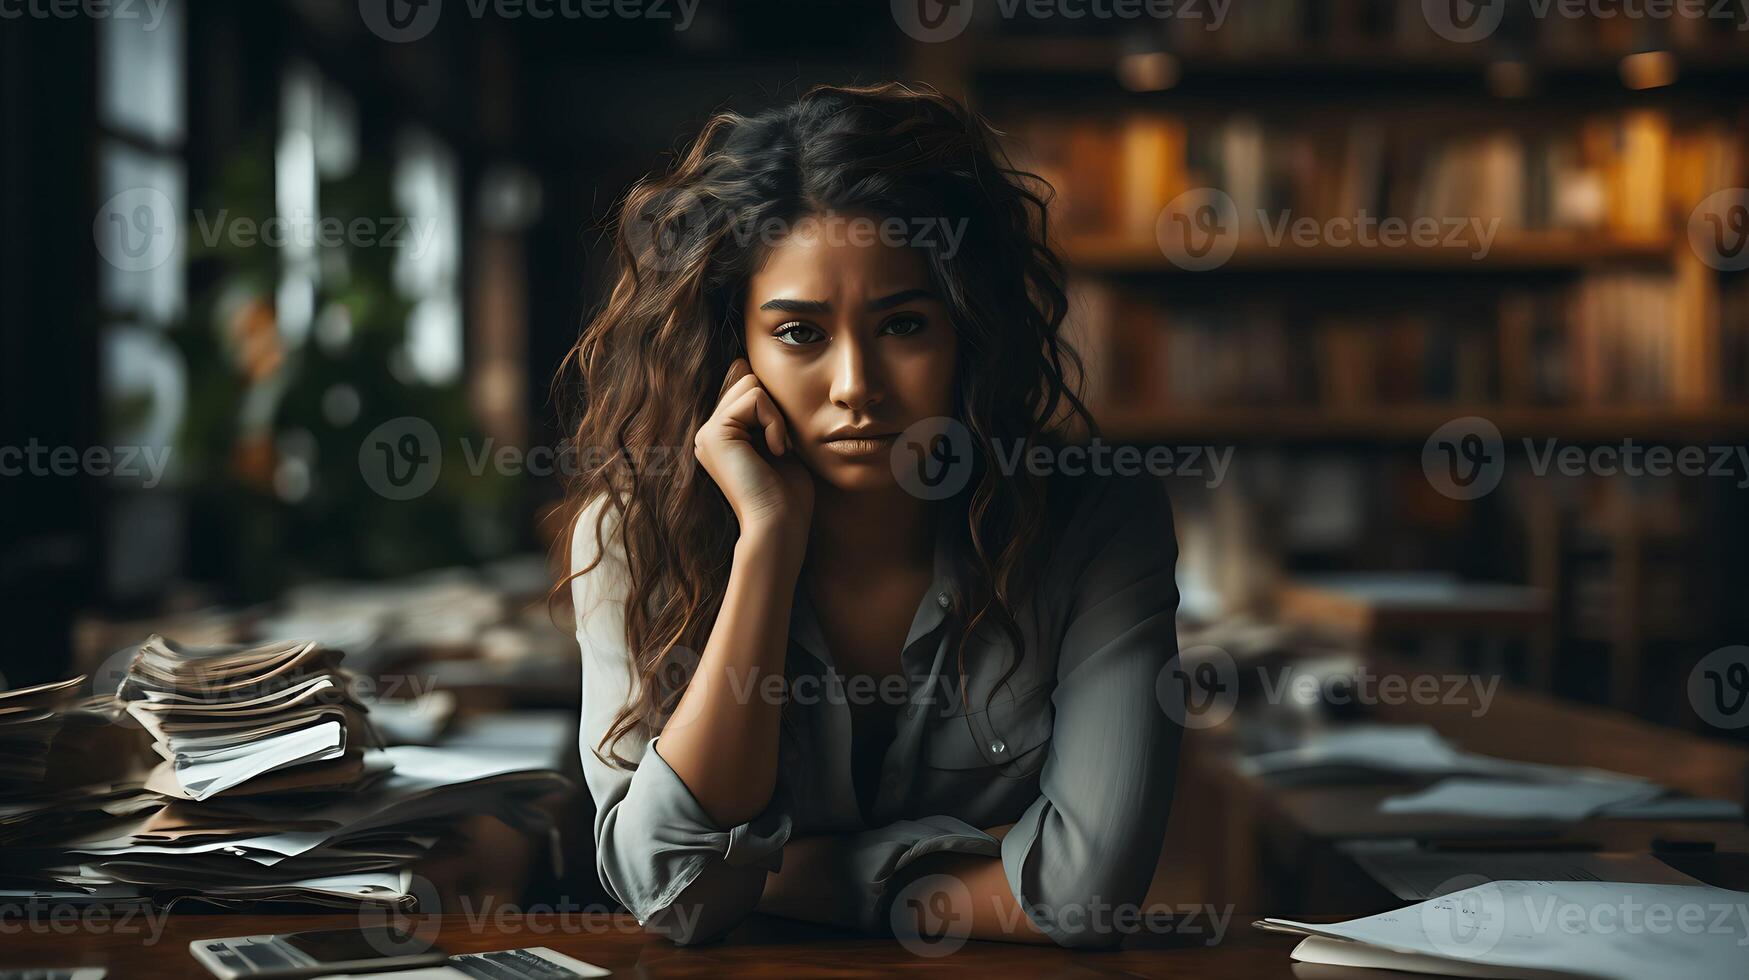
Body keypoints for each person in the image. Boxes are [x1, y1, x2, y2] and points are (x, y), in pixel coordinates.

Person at [558, 82, 1182, 948]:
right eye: (800, 334)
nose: (855, 385)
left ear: (968, 330)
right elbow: (673, 894)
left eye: (903, 325)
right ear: (730, 345)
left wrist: (787, 874)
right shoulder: (631, 535)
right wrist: (768, 544)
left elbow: (1088, 898)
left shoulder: (1097, 521)